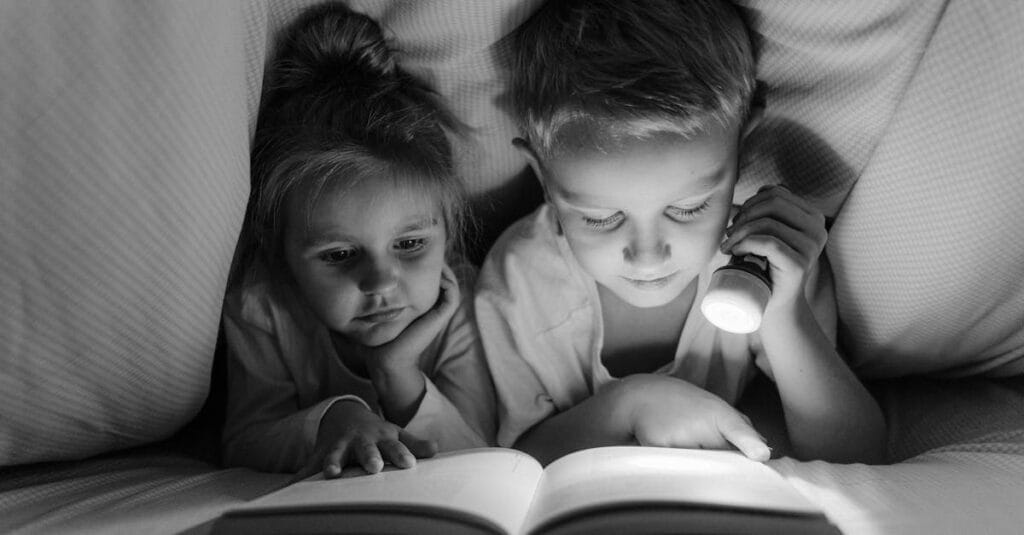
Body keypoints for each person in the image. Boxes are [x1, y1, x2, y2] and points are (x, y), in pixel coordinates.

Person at [476, 0, 885, 466]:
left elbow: (857, 454)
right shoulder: (520, 282)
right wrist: (631, 405)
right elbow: (515, 461)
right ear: (543, 177)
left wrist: (785, 314)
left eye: (689, 208)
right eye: (601, 218)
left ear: (742, 148)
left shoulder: (767, 260)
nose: (648, 256)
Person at [221, 2, 495, 479]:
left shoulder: (463, 302)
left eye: (410, 245)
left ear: (448, 236)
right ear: (281, 255)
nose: (380, 281)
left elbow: (481, 453)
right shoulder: (263, 307)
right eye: (341, 254)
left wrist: (396, 372)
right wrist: (334, 417)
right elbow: (244, 441)